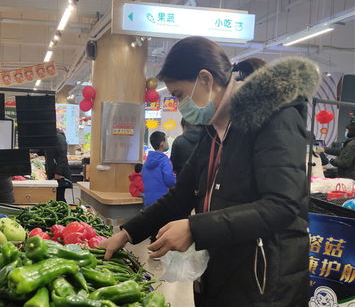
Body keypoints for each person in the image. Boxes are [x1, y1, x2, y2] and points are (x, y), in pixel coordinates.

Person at [99, 36, 320, 306]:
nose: (180, 105)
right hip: (222, 270)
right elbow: (181, 195)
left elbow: (283, 205)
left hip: (264, 280)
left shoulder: (275, 117)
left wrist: (195, 228)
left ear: (205, 79)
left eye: (179, 94)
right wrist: (126, 234)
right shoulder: (213, 131)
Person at [142, 131, 176, 207]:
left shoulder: (146, 163)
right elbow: (169, 181)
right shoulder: (164, 160)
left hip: (148, 201)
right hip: (162, 201)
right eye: (166, 140)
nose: (167, 143)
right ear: (162, 144)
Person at [45, 129, 72, 202]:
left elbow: (62, 156)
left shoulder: (58, 137)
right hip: (53, 172)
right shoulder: (50, 137)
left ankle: (65, 212)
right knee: (55, 197)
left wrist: (58, 172)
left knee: (59, 198)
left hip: (60, 174)